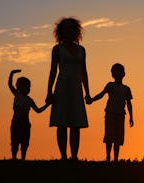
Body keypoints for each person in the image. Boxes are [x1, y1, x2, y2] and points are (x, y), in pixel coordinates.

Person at [45, 17, 91, 161]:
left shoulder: (81, 50)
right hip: (62, 86)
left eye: (72, 28)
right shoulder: (57, 49)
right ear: (61, 31)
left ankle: (75, 155)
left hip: (76, 88)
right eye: (66, 28)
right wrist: (49, 91)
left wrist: (88, 92)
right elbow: (53, 70)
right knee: (62, 122)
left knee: (76, 124)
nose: (69, 31)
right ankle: (63, 156)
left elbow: (84, 72)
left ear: (76, 31)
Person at [88, 63, 134, 162]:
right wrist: (92, 100)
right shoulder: (110, 85)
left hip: (121, 115)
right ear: (112, 74)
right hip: (110, 114)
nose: (117, 74)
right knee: (109, 136)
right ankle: (108, 157)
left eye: (119, 72)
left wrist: (131, 117)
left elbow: (129, 103)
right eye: (115, 72)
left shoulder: (126, 89)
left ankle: (116, 159)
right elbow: (101, 94)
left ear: (123, 74)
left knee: (118, 138)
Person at [8, 69, 50, 160]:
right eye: (26, 87)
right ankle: (14, 158)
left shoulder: (29, 100)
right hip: (16, 123)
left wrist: (47, 105)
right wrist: (12, 73)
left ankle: (23, 158)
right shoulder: (17, 95)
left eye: (29, 87)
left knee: (25, 142)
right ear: (19, 88)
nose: (28, 89)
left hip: (25, 124)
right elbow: (10, 85)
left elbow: (38, 110)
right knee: (14, 142)